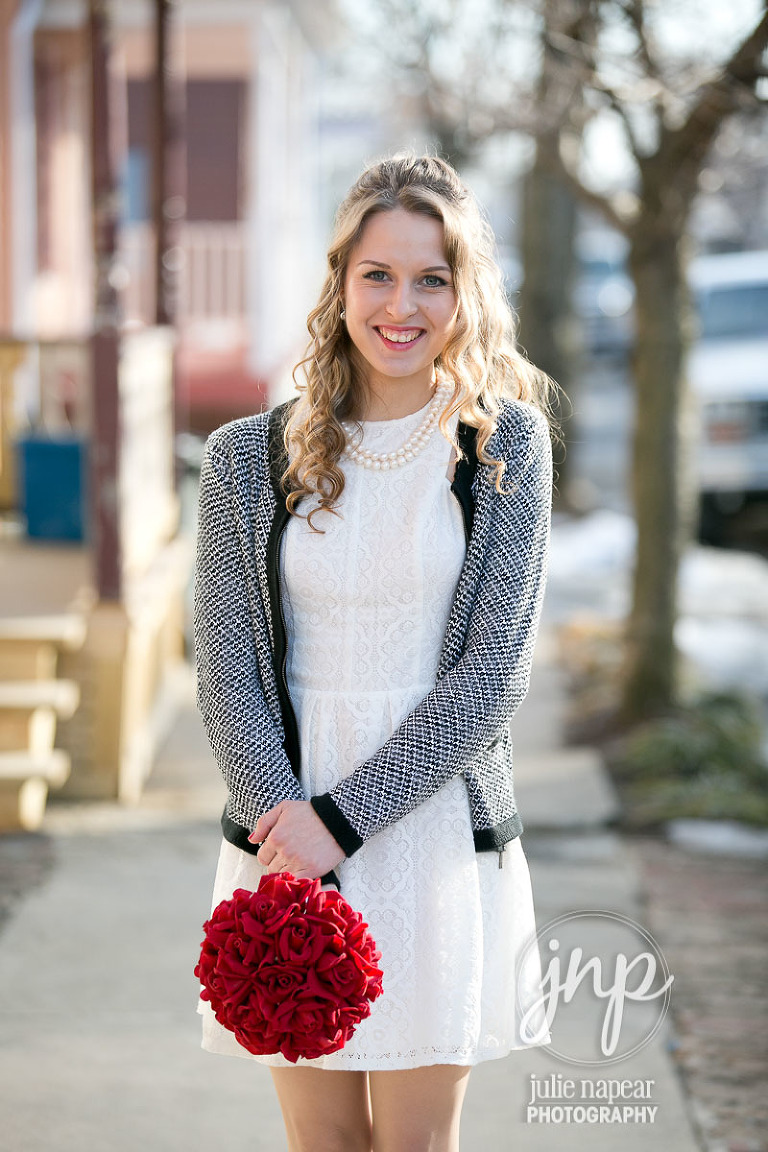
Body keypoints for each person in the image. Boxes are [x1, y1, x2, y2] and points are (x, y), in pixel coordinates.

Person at [194, 153, 557, 1152]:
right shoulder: (245, 459)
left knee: (414, 1145)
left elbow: (492, 679)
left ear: (464, 293)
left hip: (431, 837)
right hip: (282, 837)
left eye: (432, 278)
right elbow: (226, 666)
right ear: (340, 285)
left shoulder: (503, 448)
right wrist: (291, 830)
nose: (403, 304)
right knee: (324, 1146)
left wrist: (343, 822)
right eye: (379, 275)